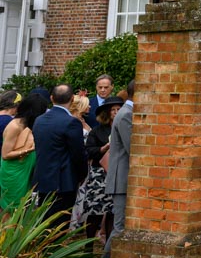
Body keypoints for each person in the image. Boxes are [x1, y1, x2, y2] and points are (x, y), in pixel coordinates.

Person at [31, 84, 87, 226]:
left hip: (43, 178)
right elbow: (78, 154)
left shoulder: (39, 120)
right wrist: (82, 175)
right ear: (72, 99)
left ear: (51, 98)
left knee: (44, 222)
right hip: (63, 180)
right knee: (59, 225)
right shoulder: (71, 122)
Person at [76, 95, 122, 241]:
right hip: (99, 173)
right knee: (95, 211)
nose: (115, 112)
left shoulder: (125, 128)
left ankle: (108, 241)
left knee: (112, 211)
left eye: (118, 109)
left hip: (116, 172)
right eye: (112, 110)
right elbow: (89, 150)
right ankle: (88, 244)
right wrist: (104, 147)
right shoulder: (97, 131)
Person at [102, 82, 135, 258]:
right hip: (121, 178)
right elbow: (132, 148)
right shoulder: (126, 115)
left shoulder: (127, 113)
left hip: (123, 177)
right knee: (119, 227)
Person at [1, 93, 48, 214]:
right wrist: (29, 150)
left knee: (23, 207)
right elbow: (5, 155)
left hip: (25, 171)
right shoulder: (15, 126)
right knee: (12, 208)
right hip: (14, 173)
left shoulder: (28, 125)